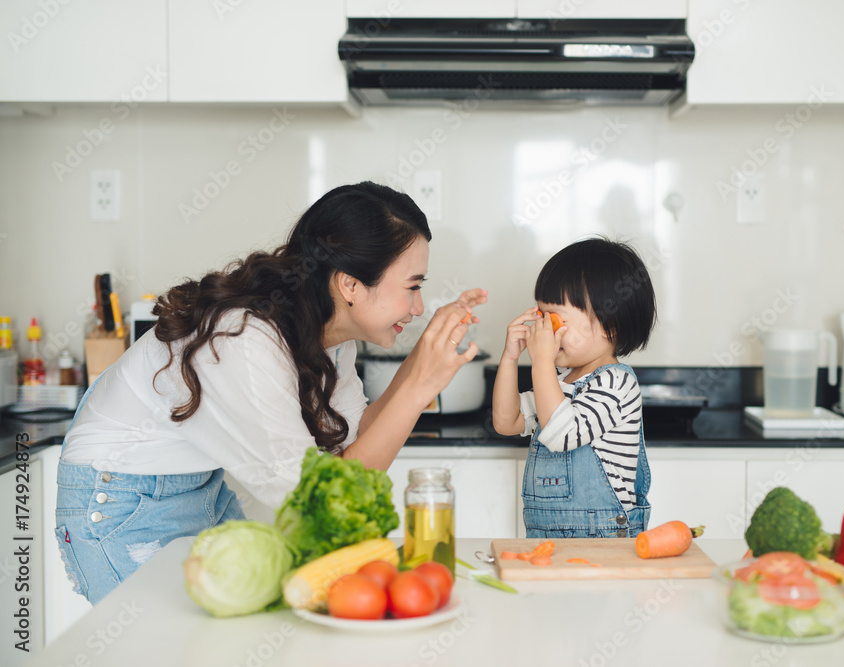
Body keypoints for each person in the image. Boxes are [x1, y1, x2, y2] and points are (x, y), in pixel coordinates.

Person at [55, 182, 487, 603]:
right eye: (413, 286)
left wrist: (423, 363)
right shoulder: (240, 340)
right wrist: (420, 385)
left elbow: (355, 453)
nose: (418, 306)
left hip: (201, 491)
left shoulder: (329, 338)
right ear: (350, 285)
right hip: (119, 503)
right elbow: (314, 504)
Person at [492, 238, 656, 539]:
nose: (543, 330)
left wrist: (540, 363)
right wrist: (510, 358)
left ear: (609, 325)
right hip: (546, 537)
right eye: (540, 317)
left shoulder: (616, 383)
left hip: (605, 540)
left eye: (553, 319)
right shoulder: (558, 383)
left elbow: (562, 434)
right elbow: (506, 421)